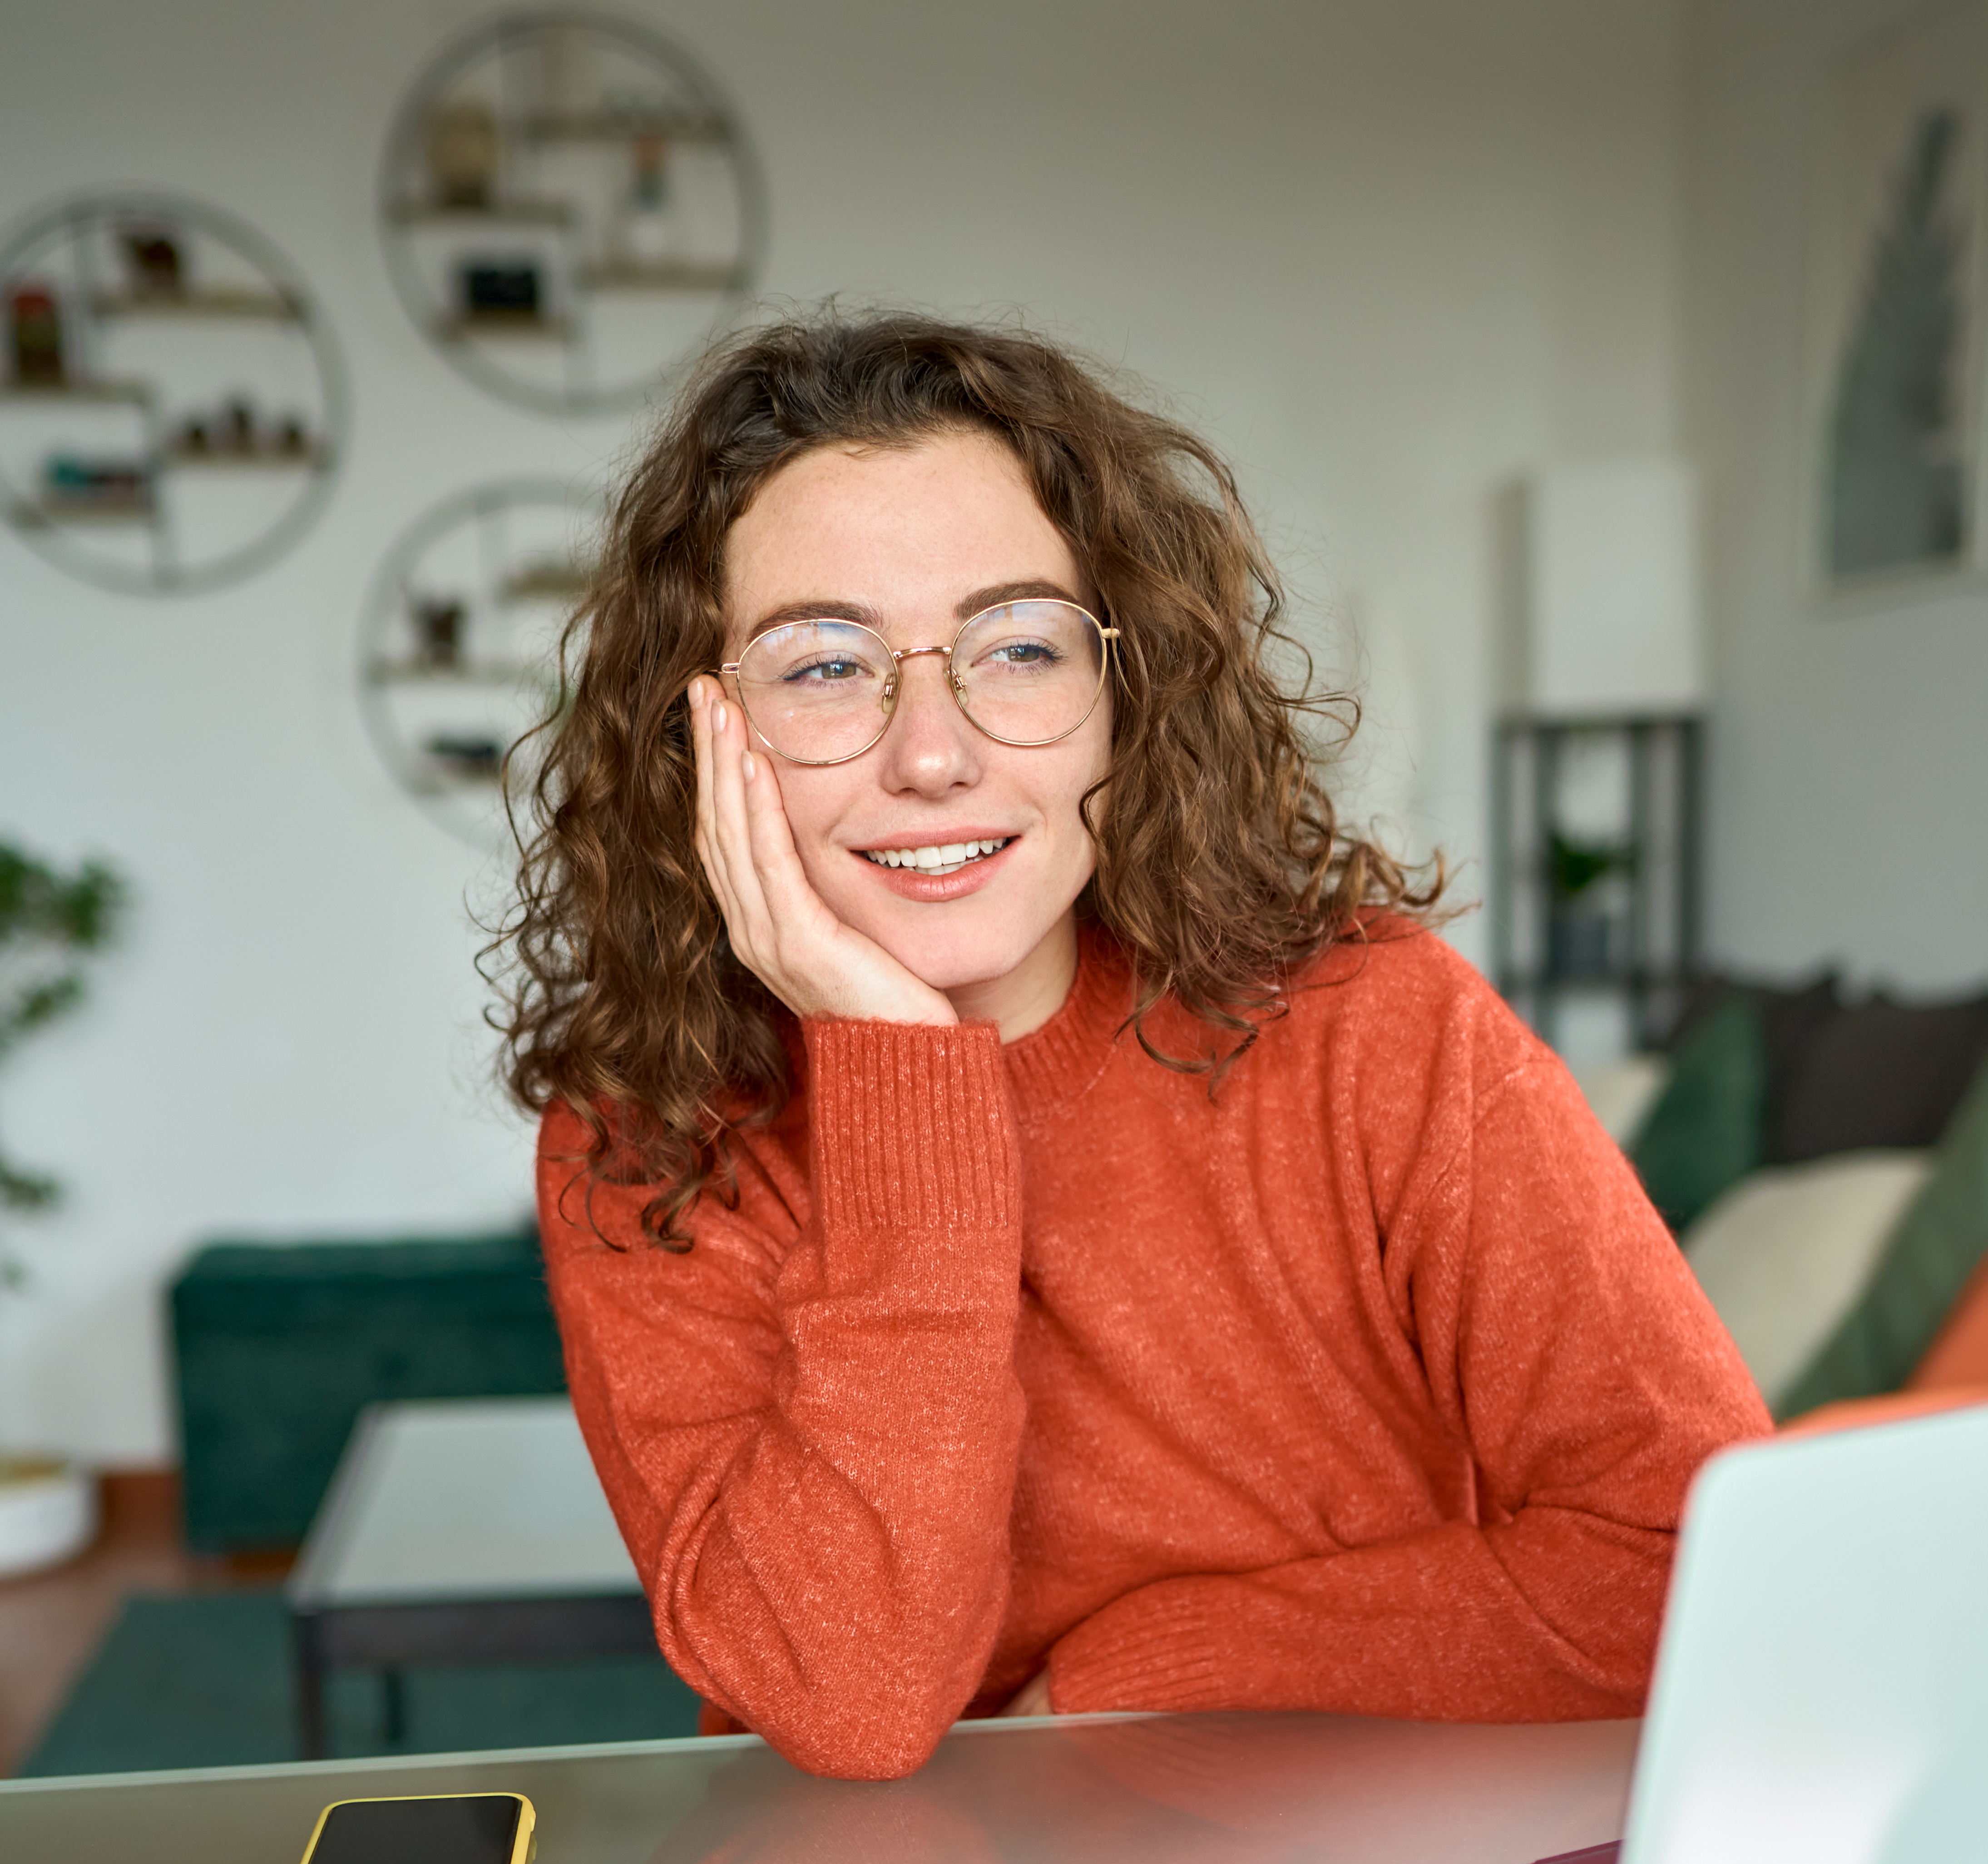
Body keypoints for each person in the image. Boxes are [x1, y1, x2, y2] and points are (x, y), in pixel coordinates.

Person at [493, 310, 1769, 1781]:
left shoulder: (1377, 1030)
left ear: (1122, 694)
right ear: (700, 737)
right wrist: (899, 1068)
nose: (932, 751)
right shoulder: (648, 1142)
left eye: (1018, 647)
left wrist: (1144, 1673)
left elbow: (1703, 1565)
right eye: (827, 667)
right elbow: (847, 1699)